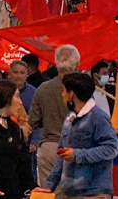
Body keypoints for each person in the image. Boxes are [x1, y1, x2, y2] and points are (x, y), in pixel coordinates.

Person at [34, 73, 118, 198]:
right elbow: (61, 155)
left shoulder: (98, 117)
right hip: (69, 191)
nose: (62, 95)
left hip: (93, 192)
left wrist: (77, 155)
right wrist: (49, 185)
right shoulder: (70, 118)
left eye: (64, 91)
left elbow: (111, 149)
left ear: (71, 94)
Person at [28, 45, 80, 197]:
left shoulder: (43, 89)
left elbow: (33, 120)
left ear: (56, 63)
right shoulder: (84, 88)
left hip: (50, 147)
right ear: (77, 63)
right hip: (77, 148)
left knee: (50, 194)